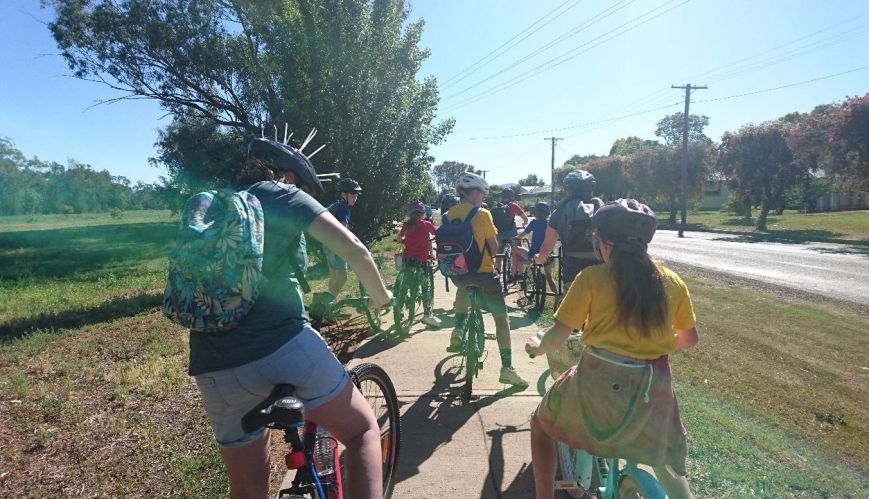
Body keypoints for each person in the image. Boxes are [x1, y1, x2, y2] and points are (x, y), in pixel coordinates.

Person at [191, 138, 392, 499]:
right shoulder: (282, 194)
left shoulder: (216, 206)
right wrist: (381, 297)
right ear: (287, 175)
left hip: (211, 364)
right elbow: (354, 249)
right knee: (363, 431)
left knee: (247, 490)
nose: (302, 191)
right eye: (301, 184)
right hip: (280, 342)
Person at [525, 199, 699, 499]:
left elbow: (557, 337)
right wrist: (661, 342)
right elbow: (689, 339)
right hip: (652, 387)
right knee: (665, 460)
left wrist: (537, 346)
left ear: (604, 244)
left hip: (598, 385)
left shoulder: (592, 279)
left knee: (540, 424)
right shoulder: (672, 282)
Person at [444, 172, 528, 387]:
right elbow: (493, 246)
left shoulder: (447, 215)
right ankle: (507, 368)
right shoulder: (482, 214)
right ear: (472, 193)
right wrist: (490, 257)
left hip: (458, 274)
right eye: (482, 193)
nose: (483, 197)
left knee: (462, 285)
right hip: (484, 274)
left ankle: (458, 329)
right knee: (501, 320)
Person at [535, 170, 602, 297]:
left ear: (567, 189)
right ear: (591, 189)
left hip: (573, 273)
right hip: (602, 272)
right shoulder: (603, 209)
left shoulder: (559, 212)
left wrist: (539, 259)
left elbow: (546, 247)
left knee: (573, 315)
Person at [397, 201, 441, 327]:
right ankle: (427, 315)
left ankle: (399, 309)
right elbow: (437, 233)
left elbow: (399, 239)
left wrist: (406, 239)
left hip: (407, 259)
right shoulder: (426, 224)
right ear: (422, 214)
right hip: (421, 261)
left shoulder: (406, 225)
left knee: (404, 285)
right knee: (425, 286)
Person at [323, 177, 363, 299]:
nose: (355, 196)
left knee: (334, 276)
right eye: (352, 193)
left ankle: (327, 308)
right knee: (342, 277)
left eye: (357, 193)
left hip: (327, 244)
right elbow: (342, 229)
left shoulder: (335, 205)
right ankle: (325, 306)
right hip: (337, 245)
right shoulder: (343, 207)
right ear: (343, 194)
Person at [511, 202, 557, 294]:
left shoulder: (534, 223)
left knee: (515, 250)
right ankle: (556, 296)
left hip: (534, 256)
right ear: (548, 214)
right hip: (548, 256)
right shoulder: (550, 224)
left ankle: (515, 274)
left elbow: (521, 235)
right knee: (549, 278)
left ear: (535, 213)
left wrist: (514, 238)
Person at [492, 188, 529, 254]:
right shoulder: (514, 205)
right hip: (511, 232)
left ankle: (498, 263)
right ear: (511, 196)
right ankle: (515, 263)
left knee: (499, 255)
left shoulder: (496, 206)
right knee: (516, 252)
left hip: (499, 233)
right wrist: (523, 224)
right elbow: (525, 219)